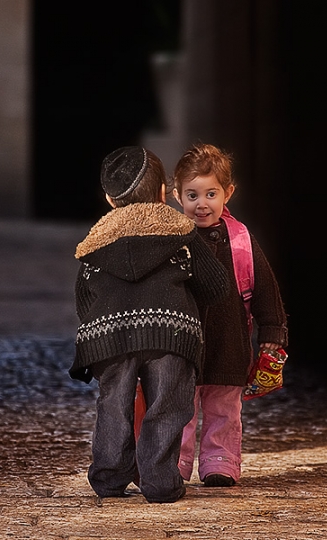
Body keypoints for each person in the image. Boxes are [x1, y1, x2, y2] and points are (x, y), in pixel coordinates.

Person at [69, 146, 230, 503]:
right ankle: (160, 483)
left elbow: (85, 299)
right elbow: (216, 285)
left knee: (113, 404)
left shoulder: (95, 244)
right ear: (162, 193)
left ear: (111, 200)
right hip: (171, 333)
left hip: (109, 338)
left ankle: (109, 480)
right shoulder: (182, 235)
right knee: (168, 406)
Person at [171, 143, 288, 487]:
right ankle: (173, 461)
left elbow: (267, 291)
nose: (201, 203)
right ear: (177, 195)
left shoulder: (240, 241)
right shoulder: (170, 240)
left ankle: (220, 461)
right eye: (192, 194)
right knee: (179, 408)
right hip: (181, 344)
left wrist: (272, 335)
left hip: (229, 342)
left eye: (211, 193)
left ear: (228, 193)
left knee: (225, 408)